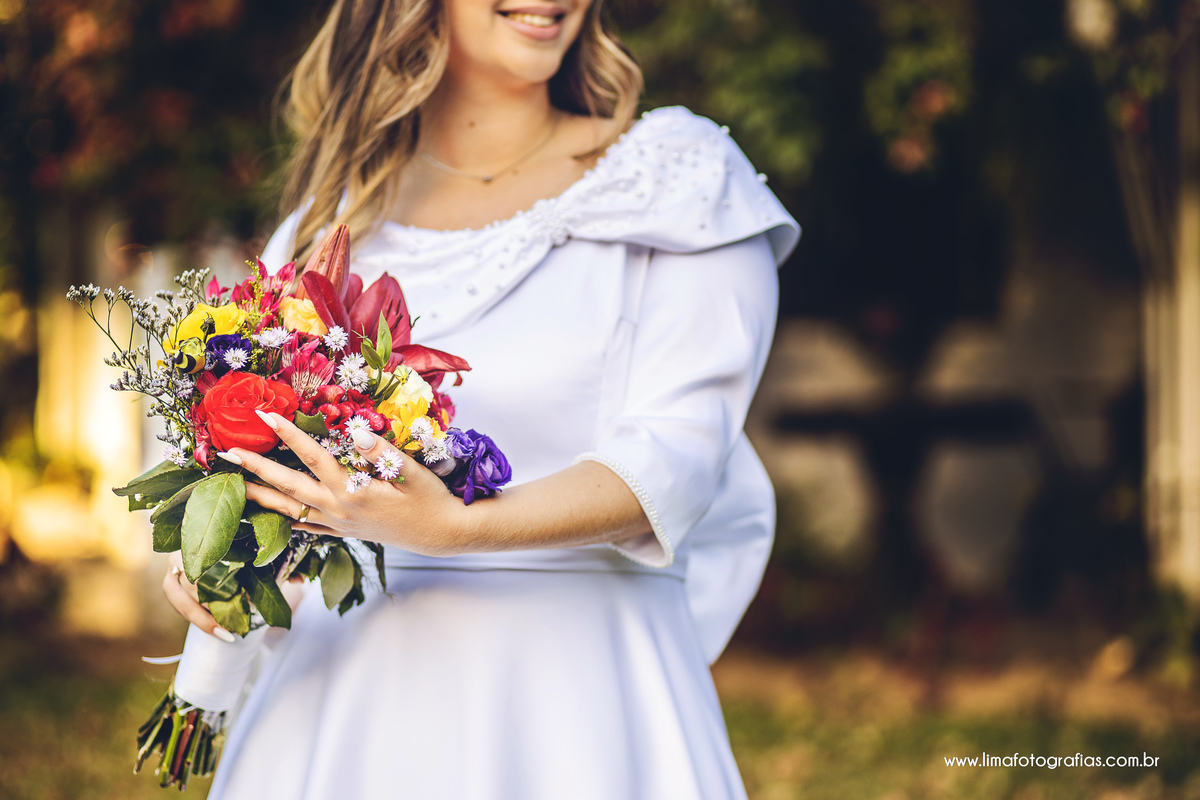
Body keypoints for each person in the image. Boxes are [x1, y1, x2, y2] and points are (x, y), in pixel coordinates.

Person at [161, 0, 798, 797]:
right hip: (346, 708)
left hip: (584, 704)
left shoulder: (681, 176)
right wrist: (233, 560)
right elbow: (286, 489)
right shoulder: (331, 220)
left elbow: (679, 456)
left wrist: (456, 528)